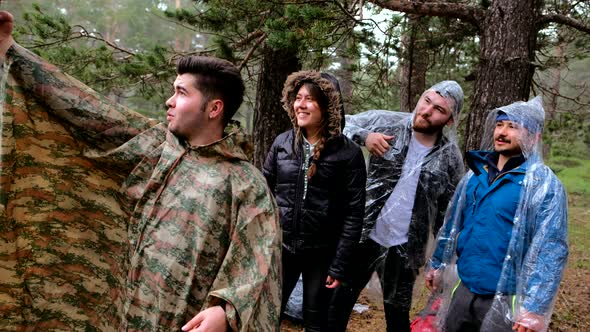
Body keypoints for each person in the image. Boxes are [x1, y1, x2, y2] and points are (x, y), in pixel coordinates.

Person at [0, 11, 281, 331]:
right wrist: (10, 48)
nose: (169, 101)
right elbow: (86, 109)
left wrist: (225, 311)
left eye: (182, 92)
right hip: (127, 318)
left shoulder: (245, 183)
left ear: (214, 108)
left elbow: (259, 264)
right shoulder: (156, 150)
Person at [329, 81, 465, 332]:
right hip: (363, 235)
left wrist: (441, 261)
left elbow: (450, 216)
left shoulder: (449, 157)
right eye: (426, 100)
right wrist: (365, 136)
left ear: (449, 120)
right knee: (337, 307)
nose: (426, 110)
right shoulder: (387, 123)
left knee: (397, 317)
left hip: (406, 249)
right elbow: (337, 122)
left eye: (439, 109)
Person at [426, 96, 569, 332]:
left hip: (507, 298)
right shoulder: (475, 176)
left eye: (513, 127)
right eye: (500, 125)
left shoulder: (544, 185)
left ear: (534, 137)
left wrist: (534, 309)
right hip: (463, 288)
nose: (502, 132)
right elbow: (452, 224)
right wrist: (438, 263)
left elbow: (551, 249)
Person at [262, 71, 366, 331]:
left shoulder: (348, 154)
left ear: (328, 106)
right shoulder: (282, 144)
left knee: (316, 321)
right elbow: (262, 194)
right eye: (298, 98)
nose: (301, 104)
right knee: (266, 315)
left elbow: (354, 214)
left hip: (322, 254)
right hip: (281, 249)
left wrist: (340, 264)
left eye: (310, 99)